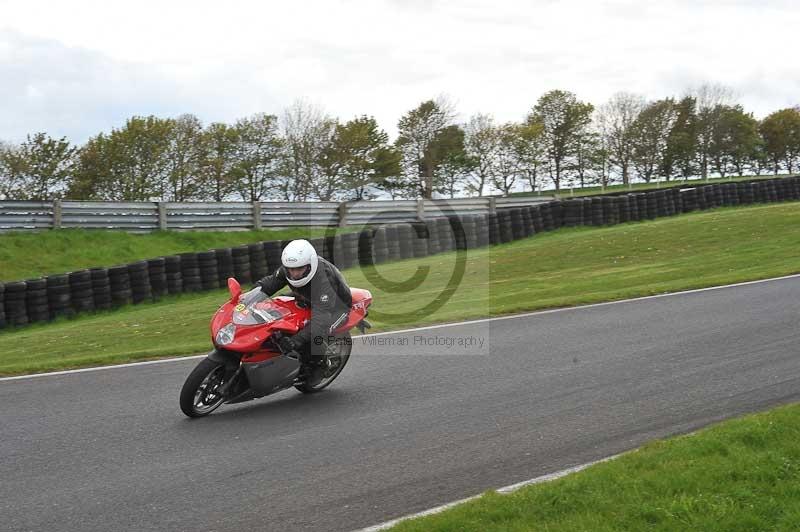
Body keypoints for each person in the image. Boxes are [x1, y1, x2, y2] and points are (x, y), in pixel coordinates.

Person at [256, 239, 352, 385]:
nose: (294, 273)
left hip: (336, 308)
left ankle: (319, 365)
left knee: (315, 335)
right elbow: (268, 284)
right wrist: (246, 300)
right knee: (273, 307)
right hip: (307, 297)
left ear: (310, 265)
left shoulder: (323, 279)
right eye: (290, 269)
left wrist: (295, 342)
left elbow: (321, 321)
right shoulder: (288, 269)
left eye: (299, 269)